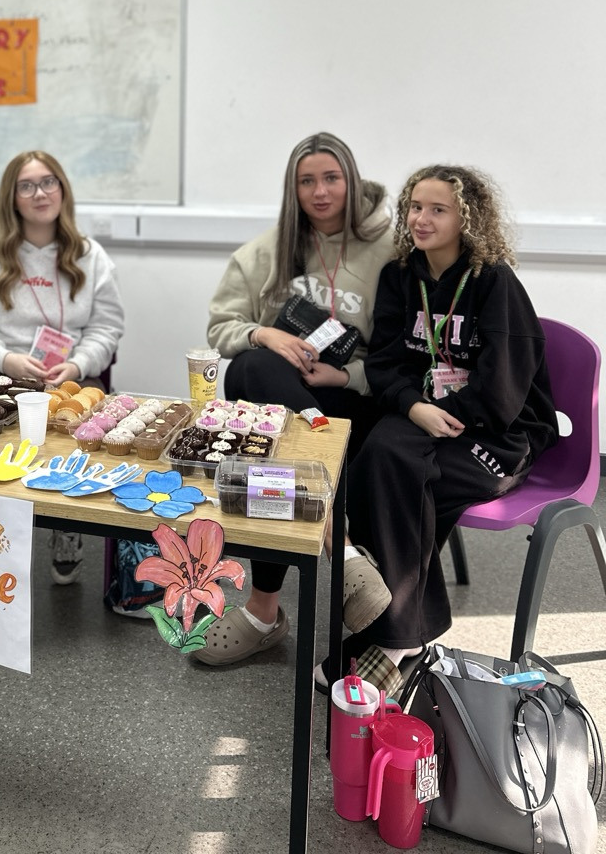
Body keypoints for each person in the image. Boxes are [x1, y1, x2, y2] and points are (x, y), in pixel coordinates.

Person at [338, 164, 557, 692]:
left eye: (438, 209)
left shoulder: (494, 283)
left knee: (396, 471)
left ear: (467, 218)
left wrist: (443, 413)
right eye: (415, 207)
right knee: (374, 455)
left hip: (496, 431)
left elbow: (504, 384)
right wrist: (415, 407)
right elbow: (387, 364)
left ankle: (398, 636)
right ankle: (401, 630)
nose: (421, 218)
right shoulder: (400, 276)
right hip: (426, 419)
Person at [197, 132, 395, 665]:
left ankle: (264, 612)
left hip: (353, 402)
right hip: (292, 408)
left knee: (278, 446)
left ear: (351, 181)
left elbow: (401, 354)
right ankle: (344, 548)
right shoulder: (268, 251)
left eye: (331, 178)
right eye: (307, 181)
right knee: (251, 367)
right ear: (293, 188)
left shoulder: (391, 250)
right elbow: (222, 326)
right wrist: (267, 335)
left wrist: (345, 375)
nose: (320, 191)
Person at [0, 150, 125, 584]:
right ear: (11, 197)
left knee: (71, 432)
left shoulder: (90, 256)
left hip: (70, 376)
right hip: (1, 378)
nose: (40, 193)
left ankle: (66, 529)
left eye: (49, 182)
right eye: (27, 185)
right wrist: (7, 360)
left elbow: (107, 329)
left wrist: (77, 364)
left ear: (63, 190)